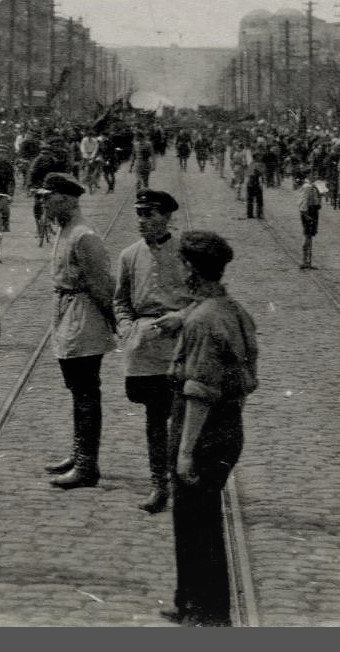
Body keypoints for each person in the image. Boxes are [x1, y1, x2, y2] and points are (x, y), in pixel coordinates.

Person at [163, 231, 258, 628]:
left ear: (191, 270)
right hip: (229, 425)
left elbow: (200, 391)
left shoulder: (202, 321)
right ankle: (192, 602)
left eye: (182, 263)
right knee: (200, 517)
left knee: (195, 521)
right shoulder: (232, 310)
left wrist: (186, 451)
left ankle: (206, 613)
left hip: (201, 428)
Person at [113, 189, 192, 514]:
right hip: (145, 347)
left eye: (150, 214)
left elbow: (205, 298)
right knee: (155, 418)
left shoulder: (186, 254)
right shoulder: (129, 256)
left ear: (167, 217)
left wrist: (182, 317)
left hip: (181, 345)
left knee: (184, 418)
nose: (143, 220)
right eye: (140, 214)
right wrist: (127, 328)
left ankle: (183, 482)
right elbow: (120, 300)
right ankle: (159, 484)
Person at [40, 173, 115, 490]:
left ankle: (87, 465)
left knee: (85, 392)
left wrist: (113, 321)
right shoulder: (65, 230)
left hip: (83, 317)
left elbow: (102, 285)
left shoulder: (83, 236)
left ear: (68, 200)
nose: (43, 202)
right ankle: (79, 453)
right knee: (78, 390)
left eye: (49, 197)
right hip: (68, 315)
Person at [297, 169, 323, 269]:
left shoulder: (312, 186)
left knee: (310, 236)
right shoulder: (307, 187)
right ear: (308, 176)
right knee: (307, 236)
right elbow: (303, 202)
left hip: (313, 211)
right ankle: (305, 261)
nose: (315, 177)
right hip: (309, 212)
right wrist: (306, 215)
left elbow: (317, 200)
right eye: (313, 175)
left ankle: (308, 261)